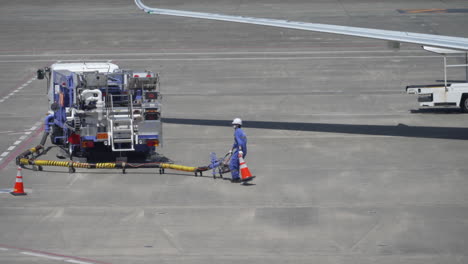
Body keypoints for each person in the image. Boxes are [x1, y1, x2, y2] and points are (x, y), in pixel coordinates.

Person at [229, 118, 247, 183]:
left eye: (234, 124)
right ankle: (236, 177)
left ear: (237, 125)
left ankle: (236, 178)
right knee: (236, 163)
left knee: (232, 164)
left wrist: (239, 150)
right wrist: (231, 149)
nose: (233, 125)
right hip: (243, 149)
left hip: (240, 150)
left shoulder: (237, 132)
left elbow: (240, 142)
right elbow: (236, 143)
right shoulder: (241, 131)